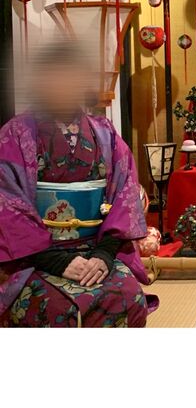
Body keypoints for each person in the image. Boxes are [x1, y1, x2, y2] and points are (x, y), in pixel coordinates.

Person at [0, 40, 155, 327]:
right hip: (34, 256)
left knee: (128, 296)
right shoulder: (15, 135)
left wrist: (104, 255)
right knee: (53, 307)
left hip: (96, 248)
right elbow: (7, 204)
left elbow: (124, 196)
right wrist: (57, 261)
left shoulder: (105, 133)